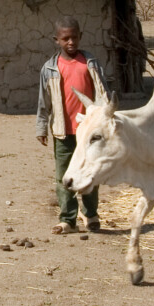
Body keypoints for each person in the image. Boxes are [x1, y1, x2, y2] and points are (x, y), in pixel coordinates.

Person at [36, 16, 111, 233]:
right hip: (63, 131)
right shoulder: (49, 69)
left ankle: (91, 215)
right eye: (65, 38)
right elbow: (44, 102)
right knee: (63, 177)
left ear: (81, 37)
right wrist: (41, 127)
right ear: (56, 40)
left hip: (87, 133)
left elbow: (103, 93)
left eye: (74, 37)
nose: (71, 42)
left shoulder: (90, 64)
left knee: (89, 173)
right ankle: (68, 219)